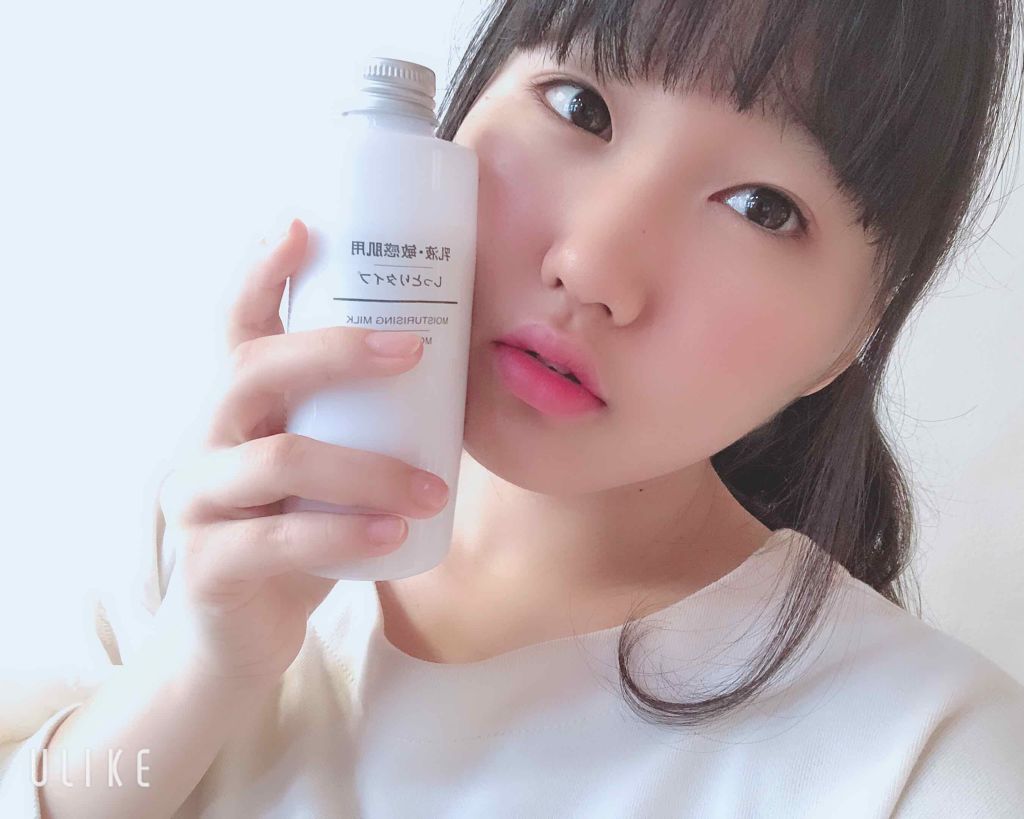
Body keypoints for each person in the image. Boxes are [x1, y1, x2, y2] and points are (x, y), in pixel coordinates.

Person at [4, 0, 1024, 816]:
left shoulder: (927, 759)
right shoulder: (211, 537)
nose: (592, 266)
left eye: (763, 208)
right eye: (580, 107)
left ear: (851, 338)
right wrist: (197, 671)